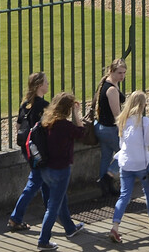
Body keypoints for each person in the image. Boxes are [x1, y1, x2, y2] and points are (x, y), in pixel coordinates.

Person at [31, 92, 88, 248]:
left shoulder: (47, 121)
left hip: (46, 169)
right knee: (53, 206)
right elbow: (81, 133)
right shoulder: (65, 126)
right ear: (67, 109)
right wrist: (77, 113)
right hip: (60, 170)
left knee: (60, 199)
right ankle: (43, 240)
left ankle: (69, 228)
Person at [109, 89, 149, 239]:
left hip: (125, 162)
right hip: (142, 163)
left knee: (124, 195)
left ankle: (115, 226)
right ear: (143, 105)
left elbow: (121, 143)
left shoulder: (122, 120)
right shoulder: (145, 122)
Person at [7, 72, 51, 232]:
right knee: (35, 182)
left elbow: (18, 126)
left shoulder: (25, 104)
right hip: (38, 150)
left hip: (27, 148)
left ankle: (50, 211)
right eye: (46, 82)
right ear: (40, 85)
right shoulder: (44, 105)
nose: (48, 84)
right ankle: (15, 218)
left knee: (44, 179)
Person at [92, 60, 126, 196]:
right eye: (119, 73)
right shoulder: (111, 90)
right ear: (111, 71)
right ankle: (108, 176)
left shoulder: (107, 82)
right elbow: (117, 115)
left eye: (124, 73)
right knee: (124, 153)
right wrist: (123, 131)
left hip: (100, 126)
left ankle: (105, 189)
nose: (122, 76)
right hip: (109, 129)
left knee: (106, 156)